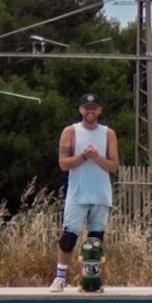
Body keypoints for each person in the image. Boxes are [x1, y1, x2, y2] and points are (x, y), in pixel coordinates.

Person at [50, 92, 117, 292]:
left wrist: (97, 157)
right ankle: (60, 277)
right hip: (78, 193)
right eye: (87, 108)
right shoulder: (70, 132)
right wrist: (83, 157)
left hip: (100, 193)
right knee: (69, 236)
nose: (90, 111)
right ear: (80, 110)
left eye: (94, 108)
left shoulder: (108, 134)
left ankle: (92, 280)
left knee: (95, 241)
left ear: (99, 110)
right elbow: (63, 163)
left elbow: (114, 165)